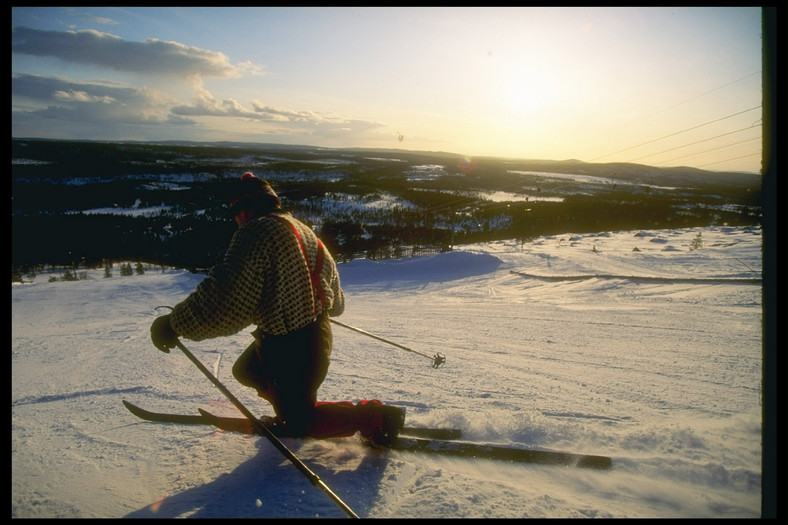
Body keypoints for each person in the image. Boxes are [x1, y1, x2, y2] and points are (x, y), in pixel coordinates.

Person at [150, 172, 404, 445]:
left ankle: (376, 418)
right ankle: (291, 409)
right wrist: (304, 301)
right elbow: (337, 303)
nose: (236, 222)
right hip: (316, 336)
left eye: (235, 215)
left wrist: (174, 324)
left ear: (244, 211)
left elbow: (225, 300)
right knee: (247, 371)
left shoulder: (256, 232)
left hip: (290, 346)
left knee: (301, 422)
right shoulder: (304, 231)